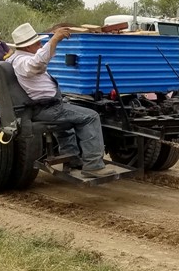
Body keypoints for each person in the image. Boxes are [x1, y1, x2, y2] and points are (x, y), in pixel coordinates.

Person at [7, 22, 117, 178]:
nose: (40, 45)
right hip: (45, 107)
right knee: (91, 117)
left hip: (46, 106)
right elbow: (36, 64)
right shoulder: (21, 61)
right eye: (37, 43)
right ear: (27, 47)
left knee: (69, 119)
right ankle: (93, 165)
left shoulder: (17, 58)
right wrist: (54, 40)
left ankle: (71, 159)